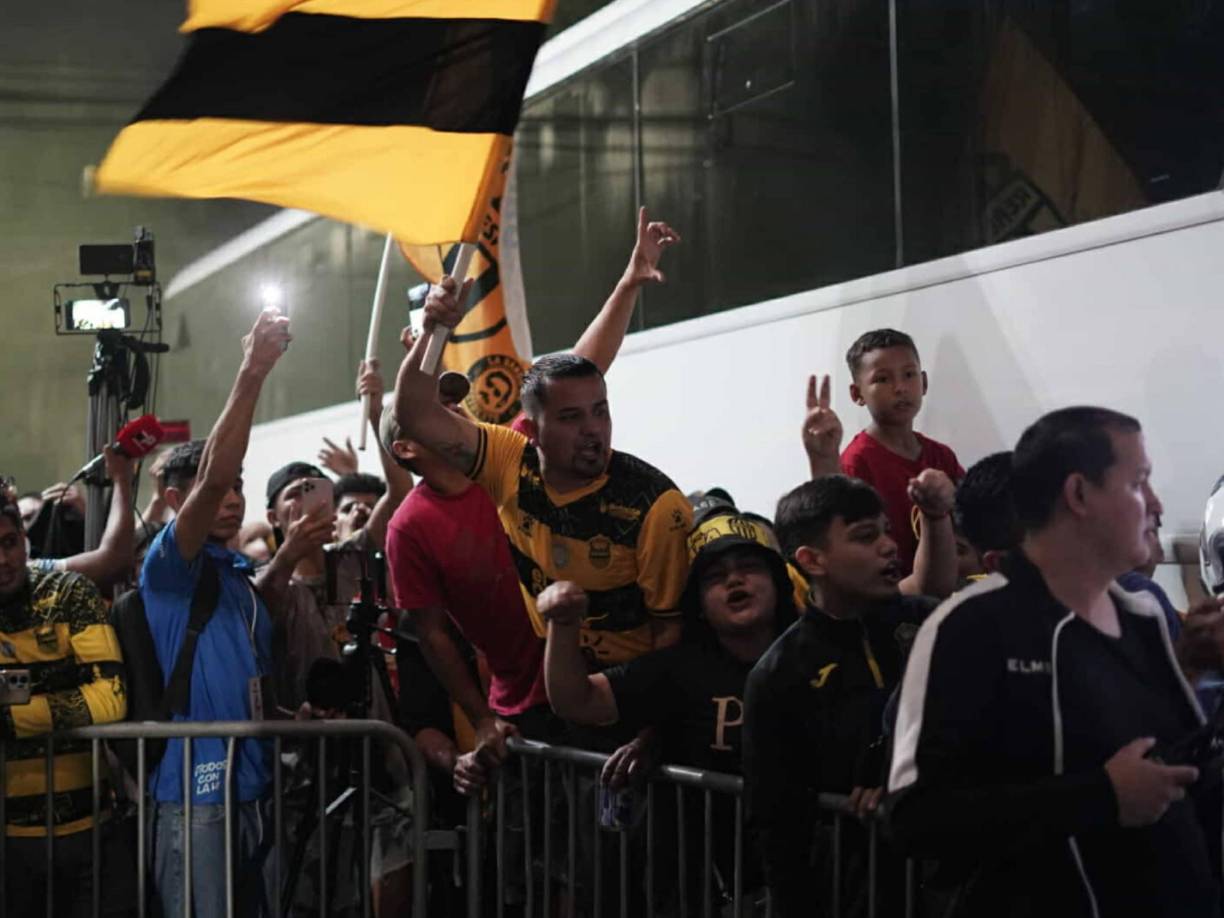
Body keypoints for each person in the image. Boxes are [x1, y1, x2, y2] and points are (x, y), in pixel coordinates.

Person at [888, 407, 1224, 917]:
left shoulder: (1140, 617)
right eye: (1138, 484)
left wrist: (1192, 670)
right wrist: (1097, 795)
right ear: (1079, 495)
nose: (1155, 504)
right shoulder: (970, 628)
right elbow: (918, 818)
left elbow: (1163, 768)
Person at [540, 510, 797, 906]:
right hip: (710, 882)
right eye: (715, 576)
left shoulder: (812, 654)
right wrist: (564, 624)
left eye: (749, 567)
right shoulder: (679, 667)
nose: (734, 580)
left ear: (778, 582)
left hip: (811, 873)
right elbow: (577, 701)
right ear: (697, 602)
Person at [743, 473, 952, 918]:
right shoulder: (780, 673)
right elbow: (778, 823)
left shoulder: (930, 626)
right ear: (812, 560)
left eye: (886, 532)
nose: (889, 546)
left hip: (944, 875)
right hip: (852, 884)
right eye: (865, 537)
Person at [140, 308, 289, 918]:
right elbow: (210, 481)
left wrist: (288, 716)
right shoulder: (169, 569)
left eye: (239, 489)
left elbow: (239, 681)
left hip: (253, 787)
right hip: (196, 795)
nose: (231, 499)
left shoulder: (238, 581)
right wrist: (253, 371)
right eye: (221, 488)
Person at [0, 485, 133, 916]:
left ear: (24, 538)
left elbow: (111, 699)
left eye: (8, 543)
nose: (2, 560)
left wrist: (15, 718)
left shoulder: (69, 592)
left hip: (89, 831)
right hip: (8, 840)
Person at [839, 329, 964, 576]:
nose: (900, 388)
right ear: (857, 394)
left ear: (924, 382)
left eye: (909, 375)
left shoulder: (941, 455)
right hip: (893, 596)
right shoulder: (856, 463)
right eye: (882, 379)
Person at [24, 447, 138, 593]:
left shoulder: (31, 572)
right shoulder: (27, 573)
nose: (3, 559)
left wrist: (86, 513)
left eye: (9, 541)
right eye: (28, 519)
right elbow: (115, 562)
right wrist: (122, 479)